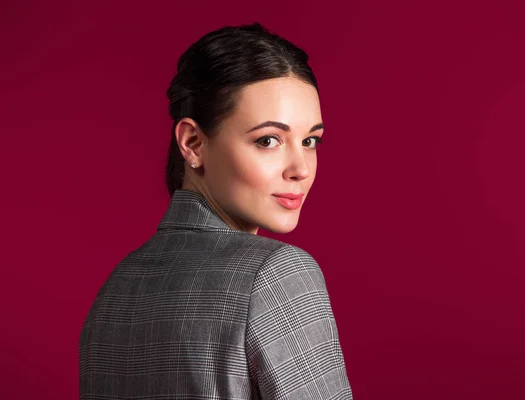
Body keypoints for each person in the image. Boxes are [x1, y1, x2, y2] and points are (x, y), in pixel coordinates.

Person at [79, 22, 353, 399]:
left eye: (310, 140)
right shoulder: (277, 274)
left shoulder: (117, 289)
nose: (301, 168)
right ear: (192, 143)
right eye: (268, 140)